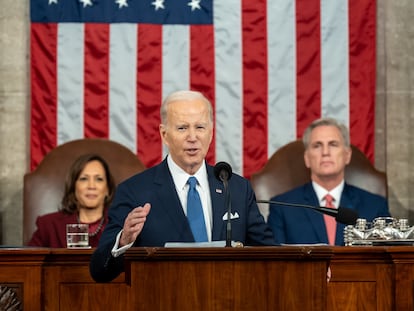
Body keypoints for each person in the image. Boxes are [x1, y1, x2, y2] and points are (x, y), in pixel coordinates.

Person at [90, 90, 275, 282]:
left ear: (211, 133)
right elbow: (100, 271)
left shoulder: (236, 188)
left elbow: (271, 255)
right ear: (164, 134)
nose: (192, 137)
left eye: (200, 127)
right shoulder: (134, 191)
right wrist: (123, 241)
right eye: (182, 128)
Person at [267, 117, 391, 246]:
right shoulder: (282, 207)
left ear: (347, 155)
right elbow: (275, 262)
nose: (325, 152)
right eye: (317, 146)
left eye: (333, 144)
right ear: (307, 158)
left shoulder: (375, 206)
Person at [28, 154, 116, 248]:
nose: (91, 186)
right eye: (84, 179)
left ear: (108, 189)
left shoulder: (120, 226)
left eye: (99, 179)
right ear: (73, 187)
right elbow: (29, 260)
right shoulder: (49, 226)